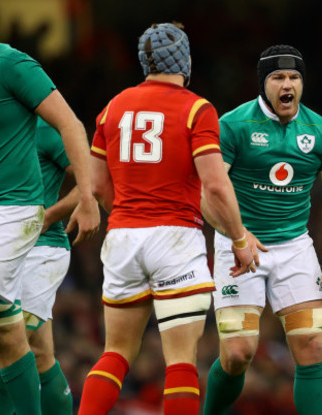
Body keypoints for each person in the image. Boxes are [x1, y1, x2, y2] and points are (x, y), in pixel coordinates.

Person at [77, 23, 254, 415]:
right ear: (185, 60)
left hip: (123, 236)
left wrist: (128, 216)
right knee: (180, 362)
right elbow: (217, 186)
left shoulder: (113, 107)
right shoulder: (197, 108)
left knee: (115, 354)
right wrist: (240, 239)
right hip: (176, 238)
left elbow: (96, 185)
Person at [202, 44, 322, 415]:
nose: (288, 84)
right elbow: (206, 193)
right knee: (238, 354)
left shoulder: (321, 131)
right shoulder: (234, 125)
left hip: (294, 247)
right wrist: (237, 234)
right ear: (263, 83)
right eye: (278, 77)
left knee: (313, 346)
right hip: (238, 245)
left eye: (294, 77)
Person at [0, 41, 100, 415]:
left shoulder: (44, 126)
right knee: (24, 347)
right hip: (10, 234)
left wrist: (57, 213)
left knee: (17, 334)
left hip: (42, 244)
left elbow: (95, 175)